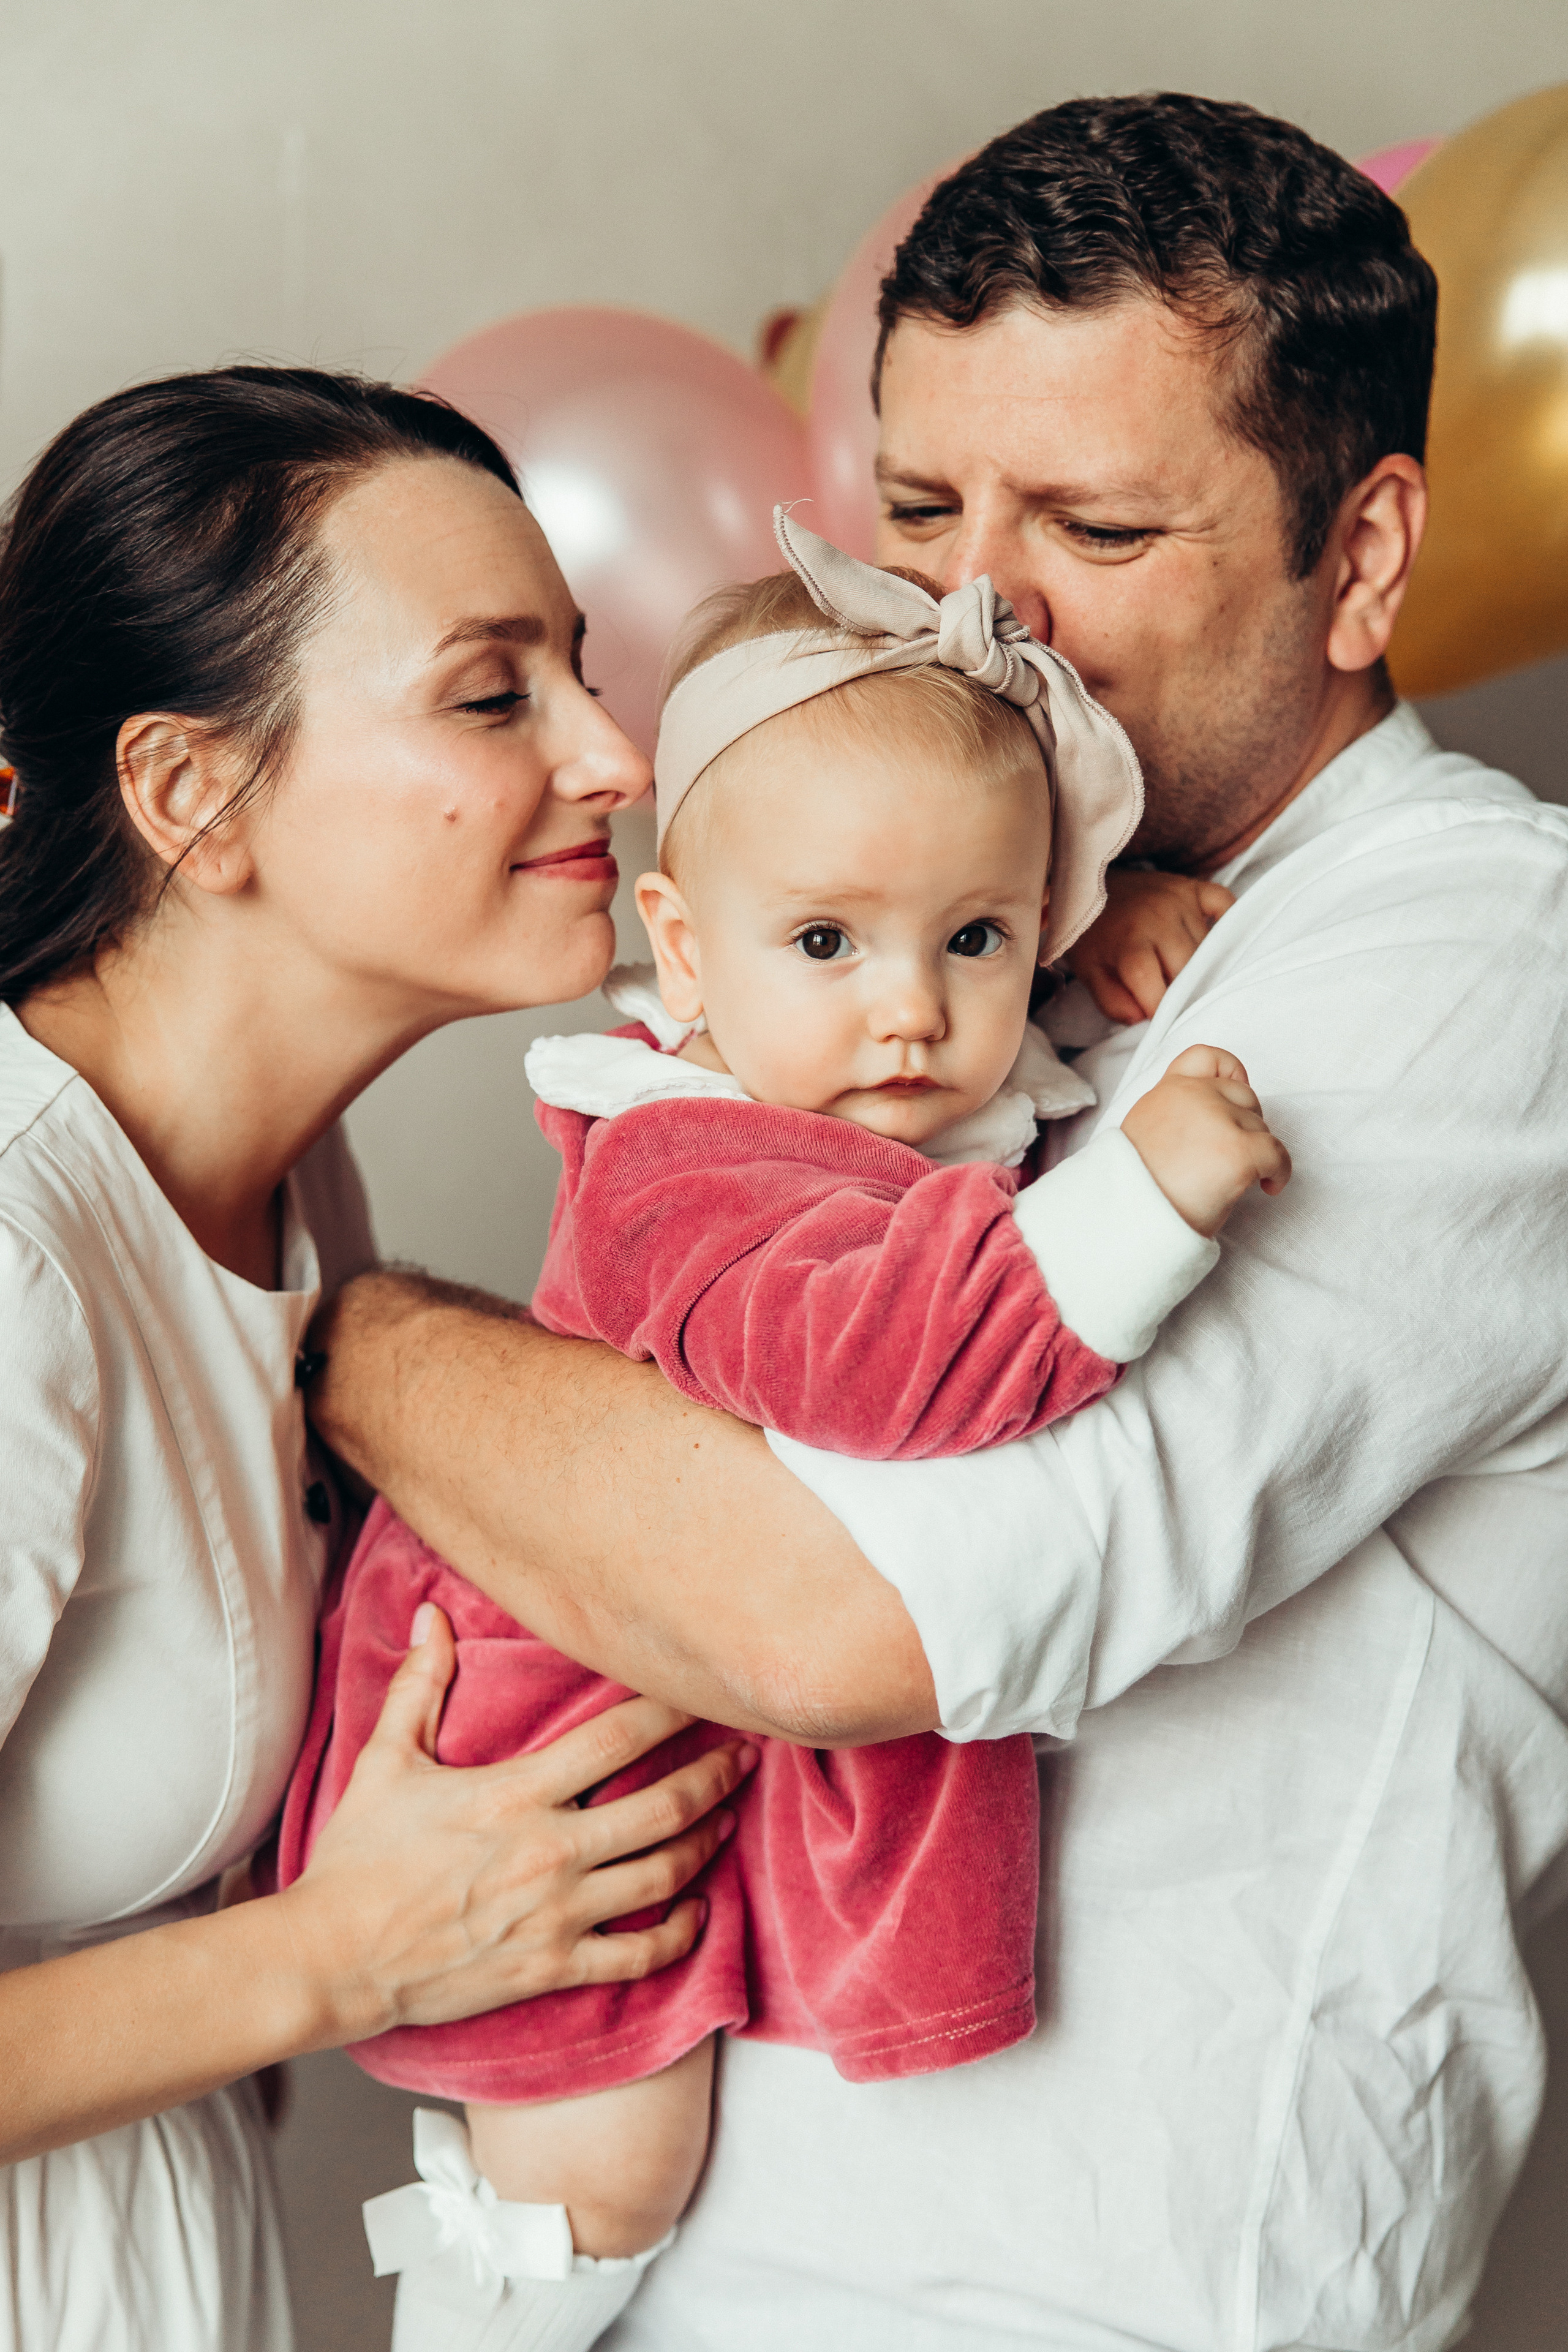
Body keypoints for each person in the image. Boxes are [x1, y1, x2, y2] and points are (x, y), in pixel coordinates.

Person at [309, 94, 1568, 2352]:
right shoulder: (969, 929)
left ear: (1363, 556)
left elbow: (862, 1618)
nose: (977, 607)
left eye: (1091, 522)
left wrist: (363, 1352)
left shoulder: (1483, 953)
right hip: (680, 2243)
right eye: (913, 507)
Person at [285, 513, 1290, 2339]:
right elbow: (889, 1366)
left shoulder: (854, 1045)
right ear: (681, 943)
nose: (911, 1013)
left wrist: (1099, 918)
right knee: (609, 2166)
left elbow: (932, 958)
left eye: (982, 936)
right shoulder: (686, 1167)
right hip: (549, 1727)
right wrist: (1149, 1203)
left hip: (681, 1678)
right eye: (826, 939)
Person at [0, 365, 758, 2352]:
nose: (614, 754)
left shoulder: (292, 1189)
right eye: (494, 694)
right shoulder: (11, 1243)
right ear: (189, 794)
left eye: (582, 672)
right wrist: (349, 1953)